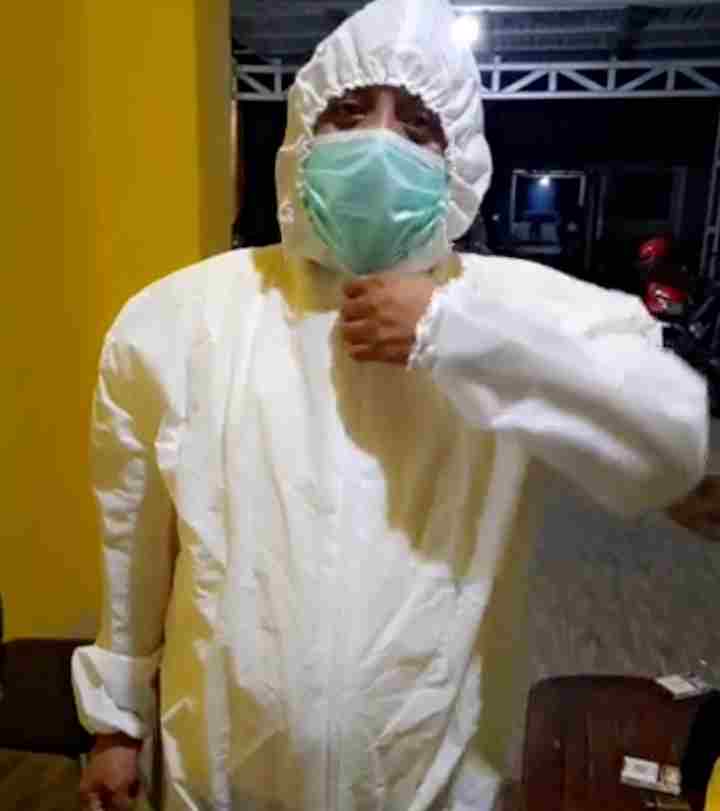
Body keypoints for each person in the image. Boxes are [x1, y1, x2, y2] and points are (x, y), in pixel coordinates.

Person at [72, 0, 708, 809]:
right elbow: (134, 535)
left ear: (457, 161)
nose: (378, 144)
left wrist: (460, 337)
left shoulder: (503, 312)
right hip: (226, 776)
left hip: (431, 780)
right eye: (348, 112)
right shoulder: (185, 322)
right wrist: (117, 724)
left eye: (417, 126)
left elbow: (679, 451)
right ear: (302, 134)